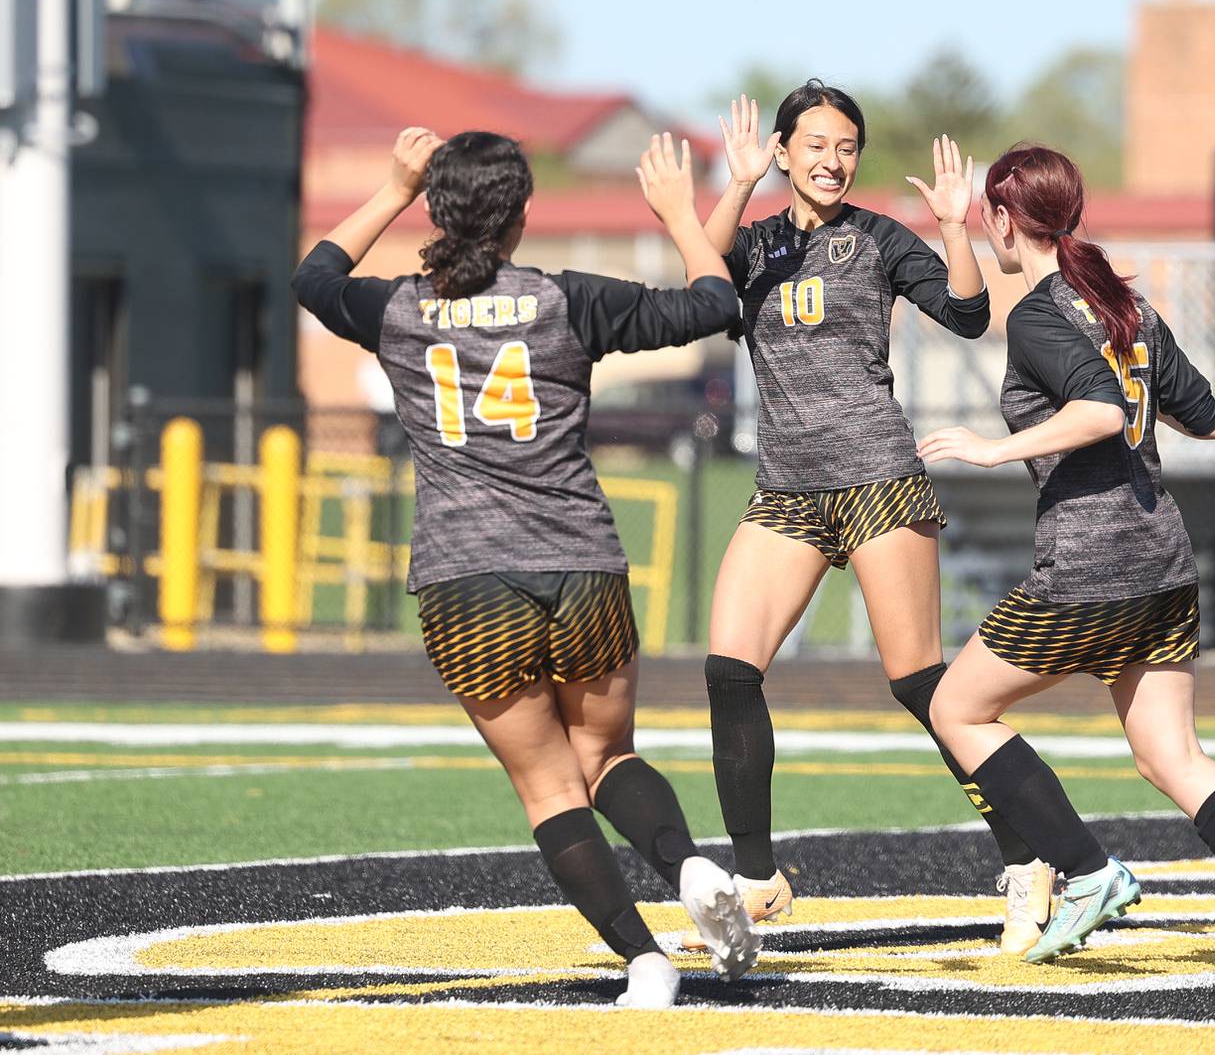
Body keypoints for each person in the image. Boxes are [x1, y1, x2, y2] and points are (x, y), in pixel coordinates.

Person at [291, 127, 760, 1008]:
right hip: (582, 561)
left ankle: (644, 961)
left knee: (549, 785)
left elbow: (313, 277)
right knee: (609, 754)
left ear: (436, 209)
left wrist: (392, 186)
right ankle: (690, 865)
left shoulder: (395, 307)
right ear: (522, 213)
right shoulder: (564, 298)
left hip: (466, 580)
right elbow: (710, 302)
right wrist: (675, 212)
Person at [922, 143, 1215, 982]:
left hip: (1090, 568)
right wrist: (955, 230)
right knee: (1170, 756)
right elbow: (1211, 418)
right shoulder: (1124, 305)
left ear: (1006, 222)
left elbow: (1096, 406)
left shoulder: (1041, 317)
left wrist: (991, 449)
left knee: (958, 709)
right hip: (1164, 564)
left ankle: (1087, 873)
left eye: (987, 219)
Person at [690, 80, 1054, 955]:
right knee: (729, 671)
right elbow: (700, 288)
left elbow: (968, 316)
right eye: (813, 143)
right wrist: (733, 187)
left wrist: (957, 228)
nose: (831, 159)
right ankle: (756, 878)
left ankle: (1028, 857)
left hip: (878, 480)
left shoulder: (882, 238)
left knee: (922, 685)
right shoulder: (753, 241)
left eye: (846, 145)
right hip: (786, 491)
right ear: (781, 152)